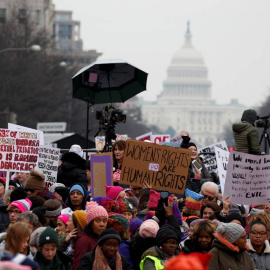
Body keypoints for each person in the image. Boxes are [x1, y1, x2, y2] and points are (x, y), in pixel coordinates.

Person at [72, 201, 108, 269]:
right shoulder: (84, 241)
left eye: (104, 221)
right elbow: (77, 266)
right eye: (97, 221)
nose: (102, 224)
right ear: (91, 223)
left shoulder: (101, 239)